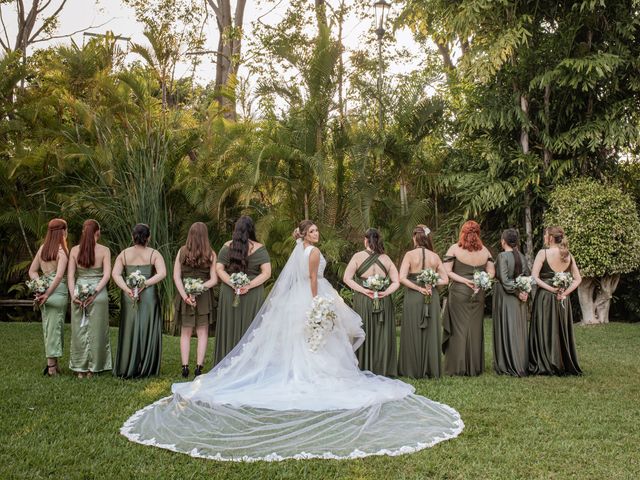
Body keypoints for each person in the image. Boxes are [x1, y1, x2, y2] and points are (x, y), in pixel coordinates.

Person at [121, 220, 463, 461]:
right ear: (307, 233)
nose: (317, 234)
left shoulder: (299, 248)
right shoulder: (311, 252)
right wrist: (316, 304)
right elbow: (313, 281)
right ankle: (314, 374)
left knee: (301, 343)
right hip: (309, 297)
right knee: (315, 341)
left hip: (295, 297)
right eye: (314, 230)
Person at [214, 216, 271, 365]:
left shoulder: (227, 246)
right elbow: (267, 273)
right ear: (252, 229)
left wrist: (232, 283)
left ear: (236, 230)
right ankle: (249, 365)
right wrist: (249, 285)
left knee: (230, 327)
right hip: (252, 294)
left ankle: (227, 362)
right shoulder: (260, 248)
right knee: (250, 328)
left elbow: (219, 268)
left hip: (229, 292)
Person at [343, 228, 400, 376]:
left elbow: (346, 278)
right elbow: (396, 281)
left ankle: (364, 366)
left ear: (366, 240)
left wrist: (363, 290)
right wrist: (386, 292)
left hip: (364, 300)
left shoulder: (357, 256)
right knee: (383, 333)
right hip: (383, 300)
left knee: (365, 331)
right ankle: (383, 368)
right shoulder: (386, 258)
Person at [112, 224, 166, 378]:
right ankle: (147, 366)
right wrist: (146, 283)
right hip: (148, 295)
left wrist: (127, 289)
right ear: (148, 237)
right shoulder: (154, 253)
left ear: (132, 237)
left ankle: (128, 365)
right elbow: (162, 273)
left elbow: (116, 274)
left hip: (129, 295)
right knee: (147, 327)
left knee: (130, 327)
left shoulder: (124, 254)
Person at [442, 220, 495, 376]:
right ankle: (474, 367)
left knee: (458, 330)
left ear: (462, 232)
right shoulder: (485, 251)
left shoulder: (454, 249)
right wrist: (481, 280)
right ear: (477, 233)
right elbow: (492, 272)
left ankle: (457, 367)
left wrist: (465, 280)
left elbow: (447, 272)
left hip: (459, 292)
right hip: (478, 293)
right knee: (474, 328)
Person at [529, 226, 582, 375]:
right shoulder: (567, 255)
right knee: (559, 329)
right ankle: (562, 362)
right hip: (562, 299)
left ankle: (545, 362)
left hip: (545, 298)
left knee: (545, 328)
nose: (545, 237)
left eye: (546, 235)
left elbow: (534, 277)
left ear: (550, 237)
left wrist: (551, 289)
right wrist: (564, 292)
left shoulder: (543, 253)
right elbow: (578, 279)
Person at [398, 225, 449, 378]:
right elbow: (445, 280)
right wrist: (432, 283)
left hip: (414, 297)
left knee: (412, 330)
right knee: (430, 331)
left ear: (414, 237)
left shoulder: (409, 255)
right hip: (431, 296)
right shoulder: (435, 256)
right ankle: (430, 369)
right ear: (427, 239)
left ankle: (411, 369)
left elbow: (402, 278)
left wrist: (418, 288)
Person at [67, 220, 112, 377]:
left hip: (79, 292)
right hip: (98, 295)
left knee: (79, 331)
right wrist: (95, 292)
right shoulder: (105, 250)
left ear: (83, 232)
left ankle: (80, 369)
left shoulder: (73, 250)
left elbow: (71, 276)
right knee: (97, 331)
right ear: (97, 233)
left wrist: (74, 295)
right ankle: (94, 368)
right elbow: (107, 275)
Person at [173, 222, 217, 378]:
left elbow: (176, 277)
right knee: (202, 332)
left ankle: (185, 367)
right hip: (204, 298)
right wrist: (199, 288)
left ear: (190, 234)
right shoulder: (211, 254)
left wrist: (185, 295)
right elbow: (213, 280)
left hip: (184, 294)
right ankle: (199, 368)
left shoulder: (181, 252)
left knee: (185, 332)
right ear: (205, 236)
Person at [28, 218, 69, 376]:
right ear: (62, 231)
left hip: (45, 292)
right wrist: (47, 293)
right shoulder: (61, 252)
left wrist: (40, 286)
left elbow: (32, 271)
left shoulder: (42, 249)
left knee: (49, 328)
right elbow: (59, 277)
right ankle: (51, 367)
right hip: (56, 293)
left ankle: (54, 364)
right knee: (54, 328)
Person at [492, 229, 530, 377]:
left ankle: (508, 363)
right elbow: (527, 276)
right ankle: (520, 362)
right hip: (520, 298)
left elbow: (504, 279)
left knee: (507, 328)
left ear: (503, 241)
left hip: (507, 297)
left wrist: (517, 292)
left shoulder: (502, 256)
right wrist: (525, 291)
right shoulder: (521, 256)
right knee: (518, 330)